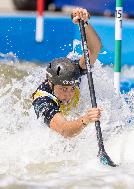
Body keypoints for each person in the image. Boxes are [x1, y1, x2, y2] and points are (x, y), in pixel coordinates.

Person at [32, 8, 102, 138]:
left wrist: (85, 23)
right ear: (51, 83)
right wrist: (85, 119)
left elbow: (94, 50)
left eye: (72, 88)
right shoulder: (43, 100)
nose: (68, 94)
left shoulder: (74, 72)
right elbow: (64, 131)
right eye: (63, 89)